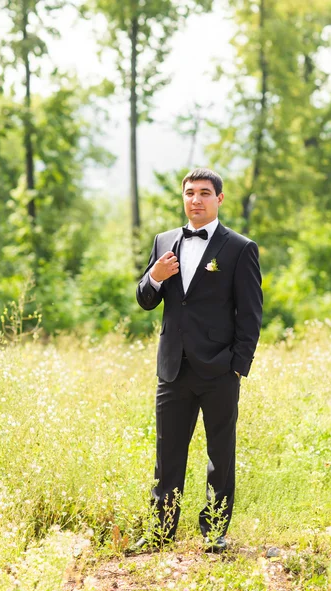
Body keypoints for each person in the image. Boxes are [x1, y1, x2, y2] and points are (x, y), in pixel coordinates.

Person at [136, 167, 263, 552]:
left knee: (220, 453)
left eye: (205, 193)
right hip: (172, 368)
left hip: (219, 370)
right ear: (183, 197)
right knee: (167, 452)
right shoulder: (163, 241)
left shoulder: (240, 248)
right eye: (190, 193)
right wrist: (155, 277)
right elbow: (145, 299)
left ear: (219, 199)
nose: (196, 200)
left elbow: (251, 314)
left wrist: (238, 365)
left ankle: (214, 534)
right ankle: (160, 532)